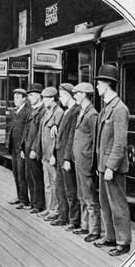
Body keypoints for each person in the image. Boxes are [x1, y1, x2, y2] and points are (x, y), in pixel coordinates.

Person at [93, 64, 132, 256]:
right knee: (105, 203)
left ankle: (123, 242)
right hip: (103, 166)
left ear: (108, 84)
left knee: (118, 204)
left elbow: (120, 142)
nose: (97, 86)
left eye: (99, 82)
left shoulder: (119, 109)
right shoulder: (107, 108)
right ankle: (110, 237)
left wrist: (110, 166)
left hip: (112, 167)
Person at [72, 82, 101, 241]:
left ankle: (94, 230)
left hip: (86, 160)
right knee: (82, 194)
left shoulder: (92, 114)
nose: (75, 95)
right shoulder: (82, 111)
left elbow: (96, 141)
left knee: (89, 196)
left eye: (77, 93)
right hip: (79, 159)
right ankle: (85, 226)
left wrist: (93, 162)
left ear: (84, 94)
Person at [52, 83, 81, 229]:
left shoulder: (75, 111)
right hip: (60, 154)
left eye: (62, 95)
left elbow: (71, 137)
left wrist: (68, 158)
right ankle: (63, 216)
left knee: (70, 189)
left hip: (65, 156)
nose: (60, 98)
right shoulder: (66, 111)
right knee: (60, 188)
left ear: (69, 95)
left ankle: (74, 220)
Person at [35, 86, 64, 220]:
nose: (44, 100)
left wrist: (53, 155)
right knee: (47, 182)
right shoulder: (47, 112)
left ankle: (55, 209)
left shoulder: (58, 113)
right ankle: (48, 208)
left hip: (51, 155)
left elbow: (57, 137)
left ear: (53, 98)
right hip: (45, 154)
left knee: (54, 183)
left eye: (46, 98)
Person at [20, 83, 46, 214]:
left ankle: (38, 204)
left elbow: (39, 134)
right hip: (28, 149)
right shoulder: (33, 110)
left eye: (31, 95)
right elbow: (26, 131)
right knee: (29, 176)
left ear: (38, 95)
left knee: (37, 177)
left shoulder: (42, 111)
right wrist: (22, 147)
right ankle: (33, 202)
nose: (29, 98)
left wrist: (35, 149)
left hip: (34, 150)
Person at [7, 88, 31, 209]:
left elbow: (26, 131)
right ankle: (19, 196)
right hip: (13, 147)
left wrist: (23, 148)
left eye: (18, 97)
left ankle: (24, 199)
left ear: (24, 99)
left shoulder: (27, 112)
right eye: (14, 97)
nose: (15, 99)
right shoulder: (15, 111)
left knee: (22, 174)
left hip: (21, 148)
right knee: (16, 173)